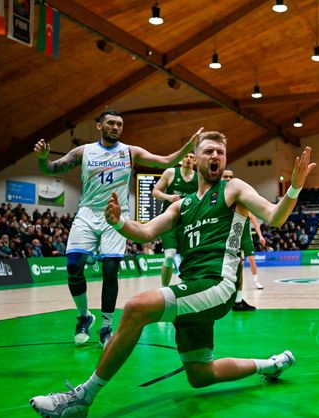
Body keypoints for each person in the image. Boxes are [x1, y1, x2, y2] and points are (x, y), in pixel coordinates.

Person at [29, 131, 315, 418]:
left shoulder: (233, 188)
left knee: (137, 307)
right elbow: (145, 232)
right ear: (196, 158)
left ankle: (82, 398)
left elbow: (275, 216)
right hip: (193, 287)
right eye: (209, 151)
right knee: (201, 374)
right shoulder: (183, 204)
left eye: (220, 152)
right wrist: (118, 223)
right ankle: (270, 365)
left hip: (217, 285)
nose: (215, 156)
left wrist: (294, 188)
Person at [33, 110, 198, 347]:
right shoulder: (84, 151)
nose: (115, 127)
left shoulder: (131, 152)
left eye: (119, 124)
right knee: (73, 266)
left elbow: (166, 161)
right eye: (110, 123)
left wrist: (187, 146)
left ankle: (106, 325)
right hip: (88, 213)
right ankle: (84, 317)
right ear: (98, 126)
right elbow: (51, 169)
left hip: (116, 214)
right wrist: (43, 157)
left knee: (110, 269)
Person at [151, 152, 198, 286]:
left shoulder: (199, 178)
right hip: (169, 221)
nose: (188, 159)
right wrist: (168, 197)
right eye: (186, 156)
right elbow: (155, 192)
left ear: (195, 161)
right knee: (170, 256)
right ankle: (164, 289)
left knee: (186, 259)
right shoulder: (171, 173)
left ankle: (184, 288)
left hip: (188, 223)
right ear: (181, 160)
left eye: (192, 157)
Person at [221, 169, 264, 312]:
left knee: (240, 265)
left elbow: (253, 217)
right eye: (225, 176)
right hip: (224, 236)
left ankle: (238, 299)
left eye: (230, 177)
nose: (228, 179)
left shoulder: (239, 193)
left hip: (242, 234)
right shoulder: (216, 196)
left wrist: (260, 235)